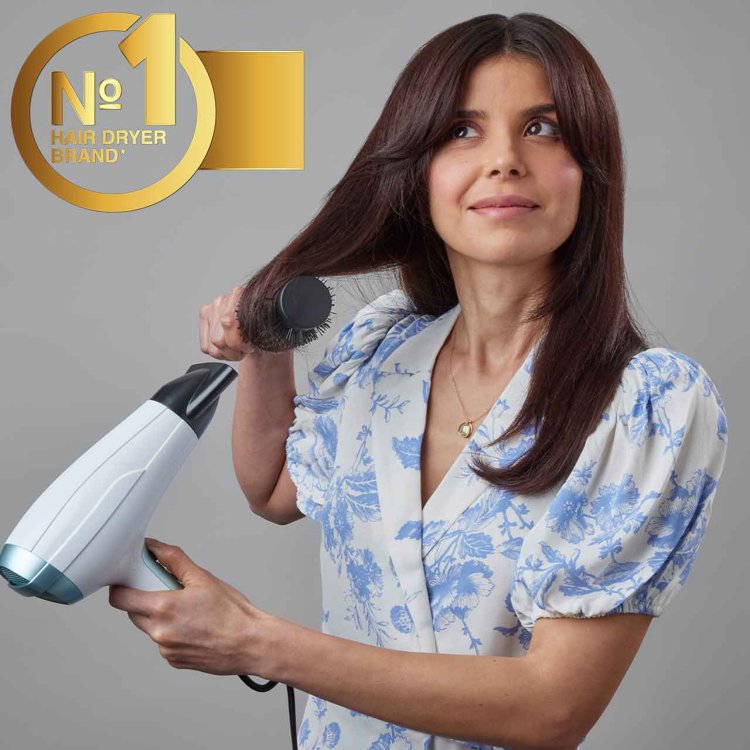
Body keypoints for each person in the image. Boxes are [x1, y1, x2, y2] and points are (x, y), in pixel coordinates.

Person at [109, 13, 729, 750]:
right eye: (462, 131)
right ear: (419, 171)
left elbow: (553, 710)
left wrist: (253, 641)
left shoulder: (644, 406)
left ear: (591, 171)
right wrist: (264, 348)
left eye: (542, 128)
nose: (504, 160)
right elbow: (274, 490)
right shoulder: (384, 345)